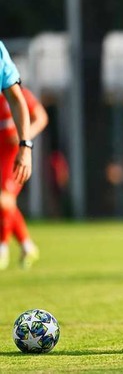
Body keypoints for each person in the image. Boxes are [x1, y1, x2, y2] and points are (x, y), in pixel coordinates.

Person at [0, 85, 48, 269]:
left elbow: (41, 118)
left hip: (14, 156)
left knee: (4, 200)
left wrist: (24, 138)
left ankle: (2, 248)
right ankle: (27, 246)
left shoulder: (17, 93)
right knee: (6, 203)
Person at [0, 41, 34, 270]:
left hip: (9, 155)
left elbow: (21, 102)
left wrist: (25, 145)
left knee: (5, 200)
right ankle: (25, 244)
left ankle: (6, 246)